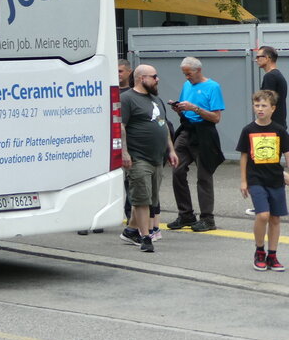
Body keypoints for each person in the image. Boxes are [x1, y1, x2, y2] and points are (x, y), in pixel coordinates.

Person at [119, 65, 178, 253]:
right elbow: (121, 127)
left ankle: (130, 231)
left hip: (157, 158)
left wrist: (171, 150)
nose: (158, 79)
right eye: (154, 76)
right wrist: (124, 152)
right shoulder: (127, 99)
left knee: (149, 198)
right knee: (142, 199)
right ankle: (145, 237)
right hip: (138, 158)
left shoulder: (156, 100)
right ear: (141, 78)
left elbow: (163, 126)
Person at [167, 56, 226, 232]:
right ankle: (185, 214)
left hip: (204, 132)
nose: (186, 77)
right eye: (184, 74)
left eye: (189, 74)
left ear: (198, 70)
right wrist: (179, 109)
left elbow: (216, 118)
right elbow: (186, 110)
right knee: (177, 170)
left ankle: (208, 219)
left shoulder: (213, 87)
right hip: (186, 130)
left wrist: (195, 108)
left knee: (204, 176)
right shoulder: (187, 86)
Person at [237, 90, 289, 271]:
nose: (260, 109)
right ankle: (260, 251)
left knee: (275, 218)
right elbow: (244, 157)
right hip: (256, 179)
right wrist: (244, 181)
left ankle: (272, 255)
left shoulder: (280, 130)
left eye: (264, 105)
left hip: (275, 179)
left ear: (273, 108)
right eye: (257, 105)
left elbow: (287, 154)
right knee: (263, 215)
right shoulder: (248, 130)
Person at [257, 47, 288, 129]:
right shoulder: (277, 75)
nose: (256, 60)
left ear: (267, 58)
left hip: (272, 126)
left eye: (258, 57)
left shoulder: (270, 76)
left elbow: (266, 102)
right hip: (279, 125)